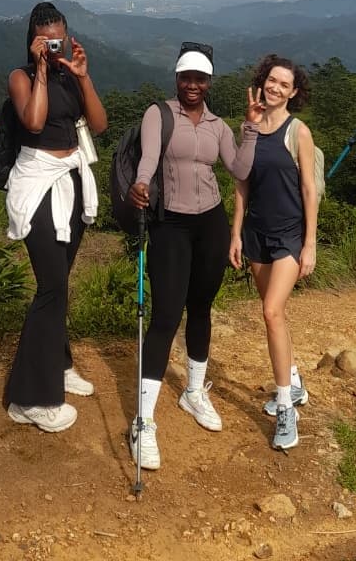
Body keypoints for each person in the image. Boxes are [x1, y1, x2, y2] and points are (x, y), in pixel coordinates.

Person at [126, 41, 257, 469]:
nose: (193, 85)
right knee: (166, 316)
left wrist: (250, 128)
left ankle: (193, 392)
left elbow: (238, 169)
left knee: (201, 307)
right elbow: (148, 159)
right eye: (187, 78)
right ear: (177, 79)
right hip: (171, 224)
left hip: (211, 223)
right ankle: (143, 422)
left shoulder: (219, 126)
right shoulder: (159, 114)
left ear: (209, 81)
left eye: (200, 78)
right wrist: (141, 185)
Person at [4, 2, 108, 432]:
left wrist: (82, 76)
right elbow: (32, 121)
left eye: (59, 37)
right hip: (39, 181)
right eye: (46, 38)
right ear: (33, 39)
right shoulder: (21, 77)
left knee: (60, 281)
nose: (53, 44)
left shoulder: (71, 74)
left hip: (73, 177)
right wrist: (41, 70)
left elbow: (98, 125)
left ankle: (59, 363)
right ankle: (29, 396)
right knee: (51, 287)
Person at [229, 54, 318, 451]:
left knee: (270, 312)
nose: (275, 87)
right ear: (261, 81)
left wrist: (310, 244)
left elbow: (308, 189)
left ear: (294, 92)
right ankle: (294, 380)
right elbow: (241, 183)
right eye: (271, 80)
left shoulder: (298, 131)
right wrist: (235, 234)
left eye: (284, 84)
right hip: (256, 233)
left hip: (289, 235)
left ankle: (285, 408)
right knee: (273, 310)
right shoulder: (248, 126)